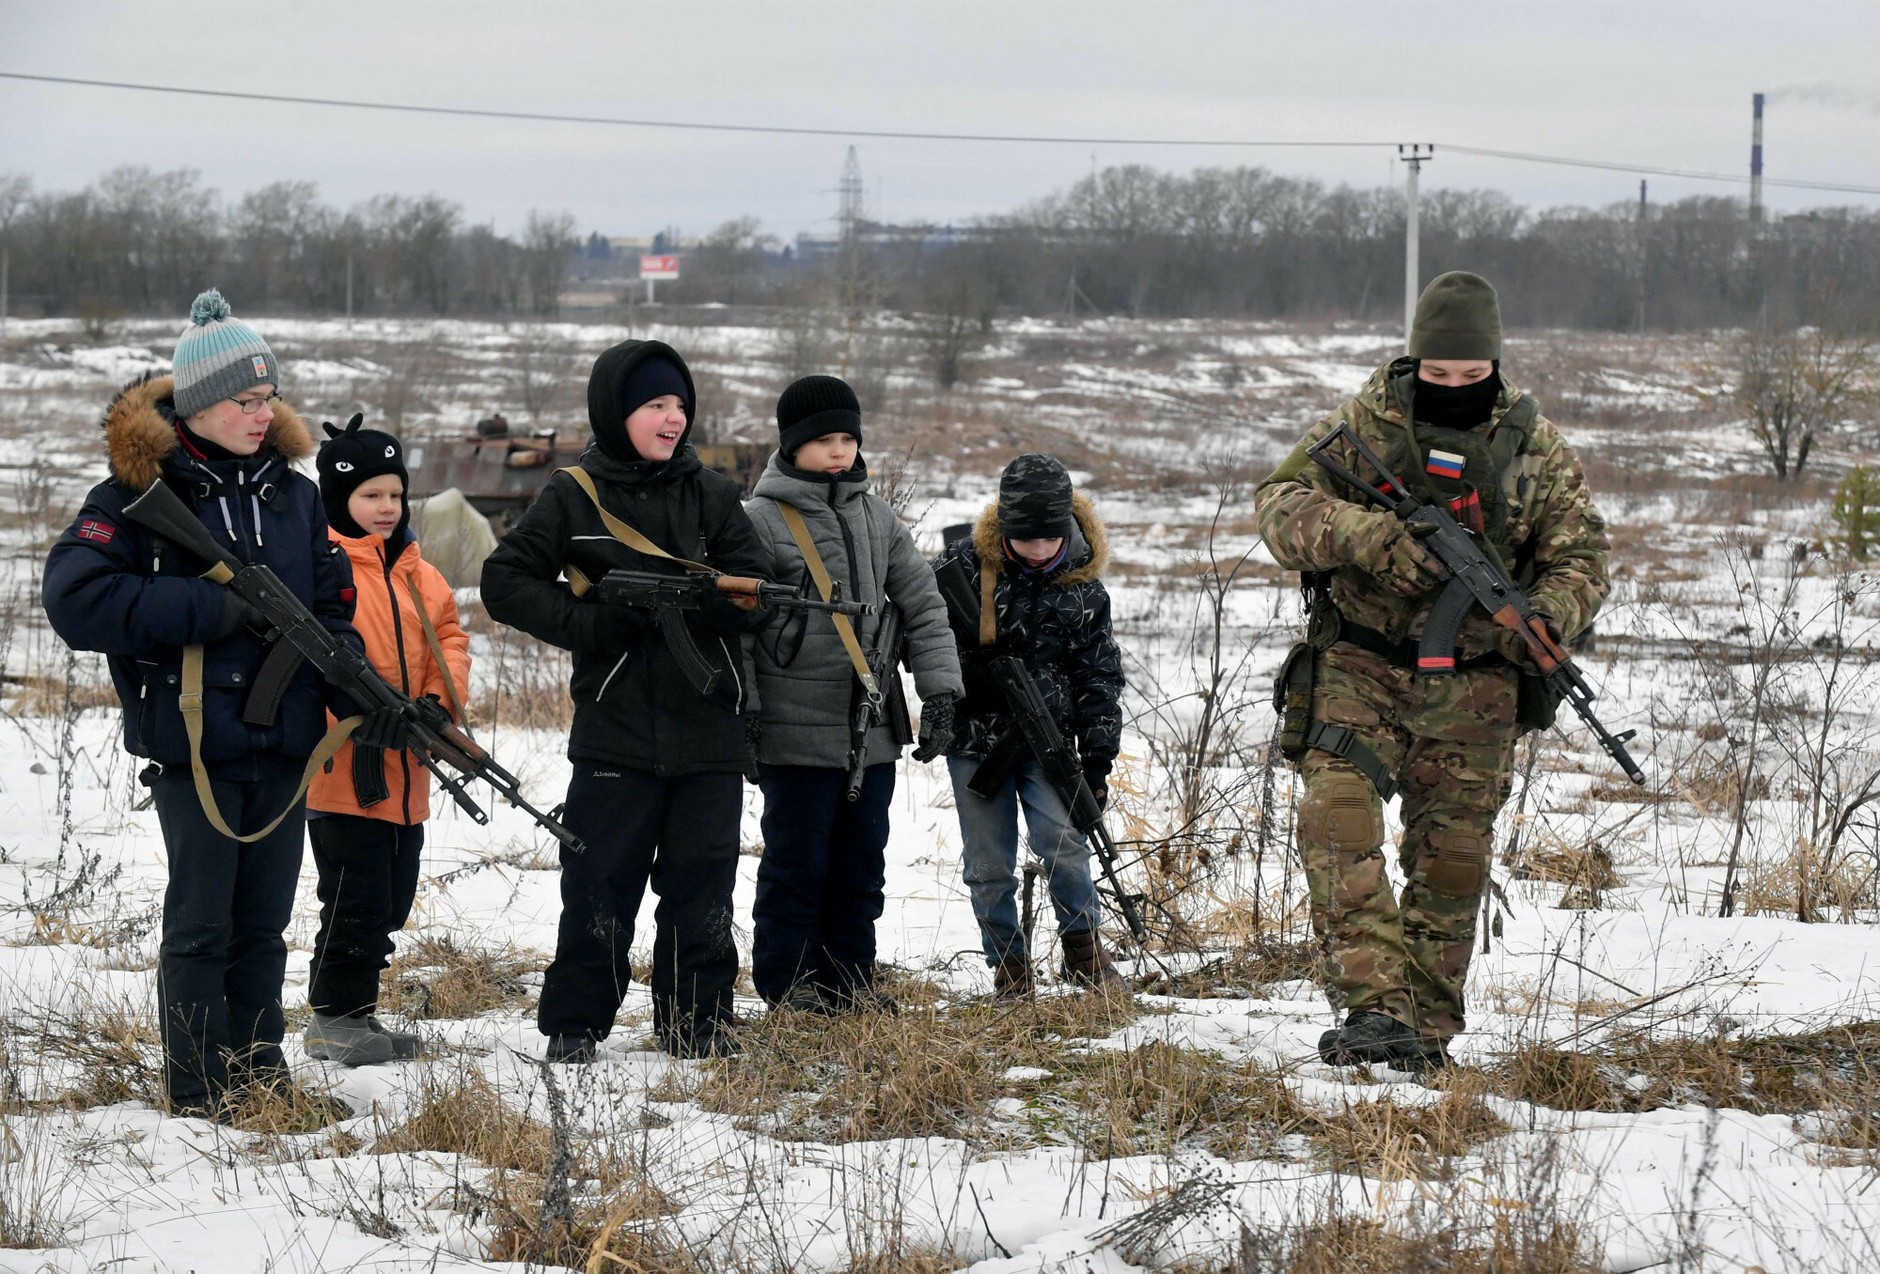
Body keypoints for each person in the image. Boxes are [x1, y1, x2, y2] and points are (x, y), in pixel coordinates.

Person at [1254, 271, 1611, 1070]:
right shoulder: (1363, 425)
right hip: (1360, 662)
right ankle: (1372, 1005)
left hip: (1476, 685)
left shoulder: (1534, 448)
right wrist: (1367, 537)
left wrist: (1549, 615)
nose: (1452, 385)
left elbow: (1583, 554)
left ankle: (1422, 1027)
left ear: (1493, 363)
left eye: (1469, 373)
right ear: (1416, 358)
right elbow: (1281, 506)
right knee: (1337, 816)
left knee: (1451, 860)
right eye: (1438, 372)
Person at [42, 289, 361, 1117]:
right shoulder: (136, 492)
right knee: (200, 928)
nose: (263, 415)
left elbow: (330, 600)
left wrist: (351, 672)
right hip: (193, 745)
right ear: (198, 404)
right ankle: (197, 1088)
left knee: (262, 927)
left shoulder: (291, 495)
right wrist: (205, 608)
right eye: (244, 401)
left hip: (284, 742)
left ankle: (260, 1073)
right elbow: (75, 600)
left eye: (267, 400)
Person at [480, 339, 766, 1061]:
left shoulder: (712, 493)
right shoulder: (573, 494)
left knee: (704, 887)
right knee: (600, 884)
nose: (673, 419)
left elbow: (755, 587)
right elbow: (504, 581)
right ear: (616, 411)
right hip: (616, 730)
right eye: (654, 406)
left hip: (708, 729)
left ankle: (698, 1021)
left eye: (680, 405)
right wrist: (596, 624)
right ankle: (576, 1025)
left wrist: (714, 606)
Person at [743, 375, 964, 1014]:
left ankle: (849, 983)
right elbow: (741, 632)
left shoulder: (877, 516)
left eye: (847, 439)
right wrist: (750, 714)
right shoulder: (759, 520)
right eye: (823, 441)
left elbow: (923, 605)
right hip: (793, 729)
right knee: (796, 864)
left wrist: (941, 692)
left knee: (861, 867)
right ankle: (789, 987)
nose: (838, 452)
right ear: (792, 446)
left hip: (872, 729)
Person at [302, 417, 469, 1066]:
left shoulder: (418, 574)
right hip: (342, 770)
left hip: (407, 773)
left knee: (392, 898)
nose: (385, 508)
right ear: (338, 498)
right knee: (354, 897)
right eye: (370, 495)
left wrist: (435, 702)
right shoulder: (324, 569)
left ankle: (358, 1015)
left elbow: (449, 641)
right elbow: (309, 662)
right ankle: (334, 1020)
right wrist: (352, 715)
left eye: (395, 496)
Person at [932, 454, 1126, 997]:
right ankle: (1009, 968)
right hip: (975, 744)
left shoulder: (1085, 589)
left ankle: (1084, 954)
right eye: (1025, 540)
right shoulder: (966, 569)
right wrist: (967, 680)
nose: (1039, 551)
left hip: (1048, 744)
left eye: (1049, 539)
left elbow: (1100, 680)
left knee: (1064, 842)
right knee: (988, 863)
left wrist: (1098, 761)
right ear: (1006, 531)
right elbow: (922, 640)